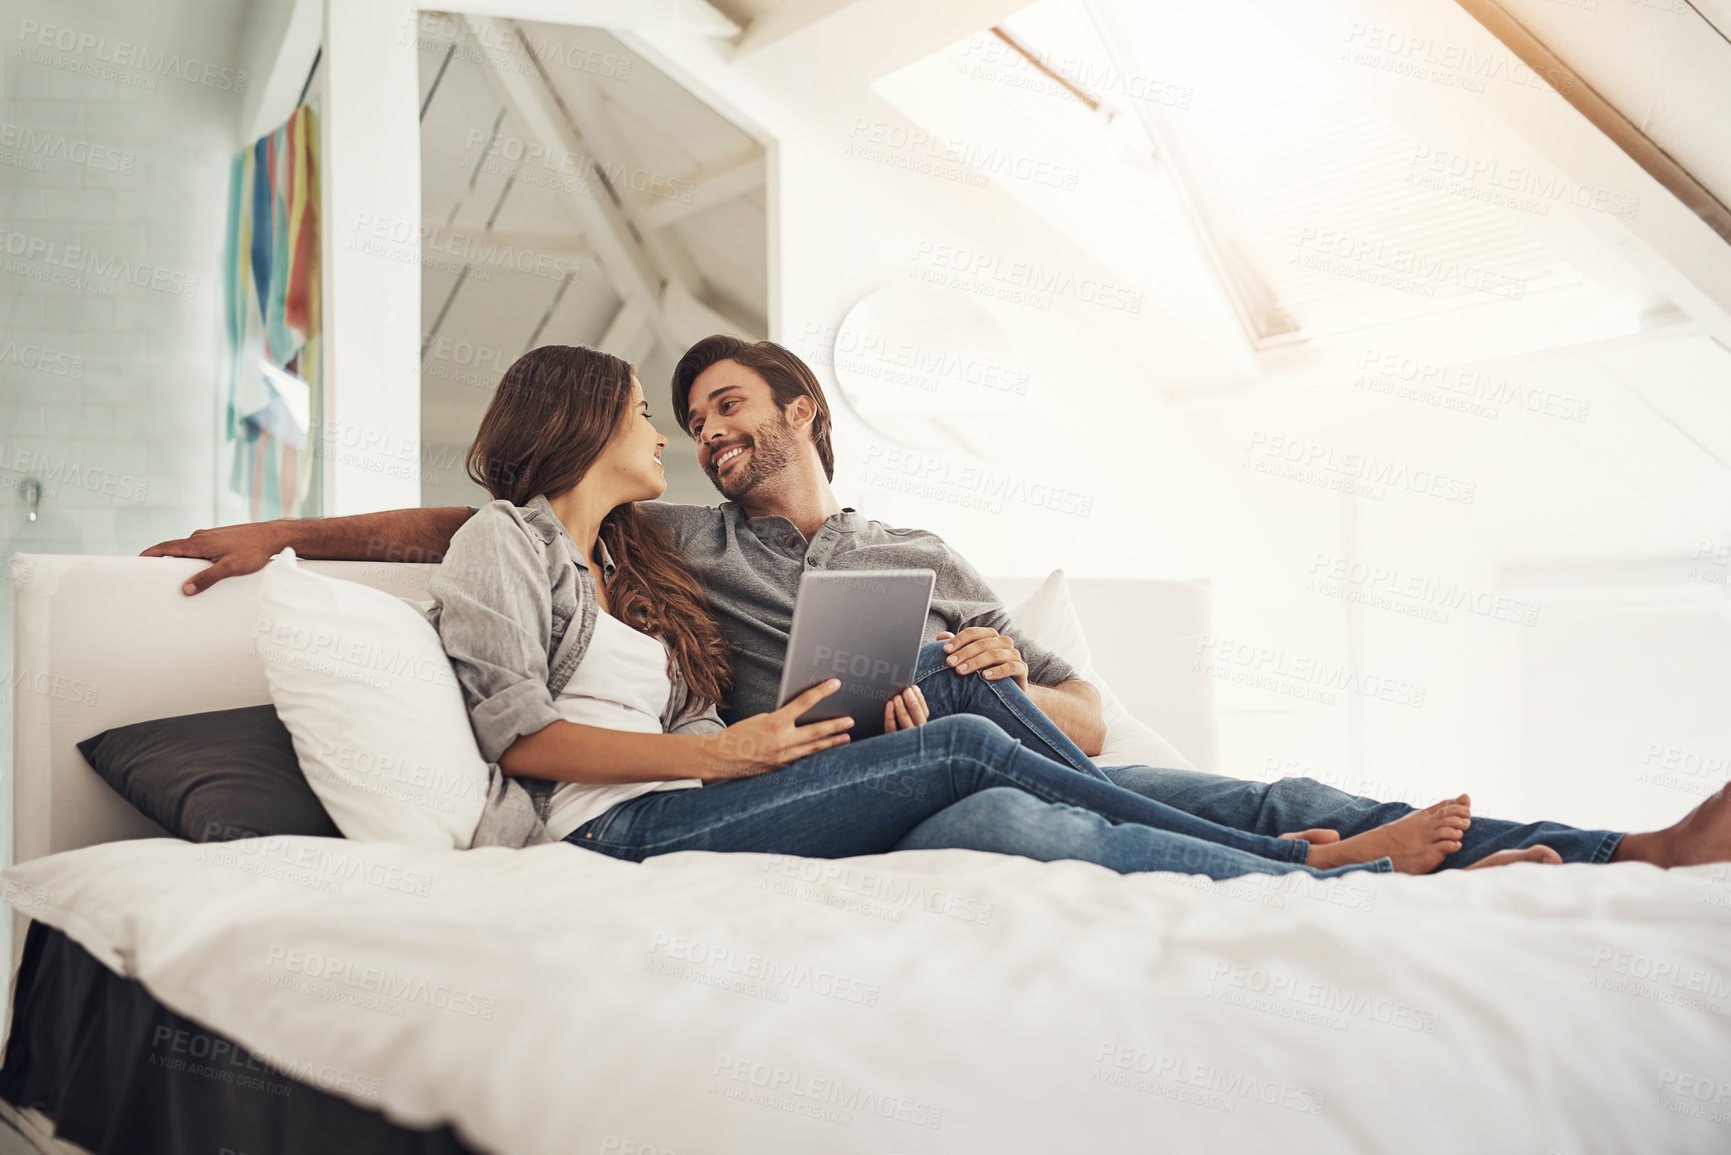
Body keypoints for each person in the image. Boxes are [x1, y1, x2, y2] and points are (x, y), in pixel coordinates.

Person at [142, 336, 1731, 873]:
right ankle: (1312, 874)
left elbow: (1089, 724)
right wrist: (287, 527)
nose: (700, 430)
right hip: (741, 784)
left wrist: (979, 669)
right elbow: (474, 538)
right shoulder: (643, 542)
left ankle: (1634, 852)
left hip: (933, 731)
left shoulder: (909, 550)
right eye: (679, 413)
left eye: (728, 406)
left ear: (804, 412)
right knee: (1000, 771)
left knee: (1120, 746)